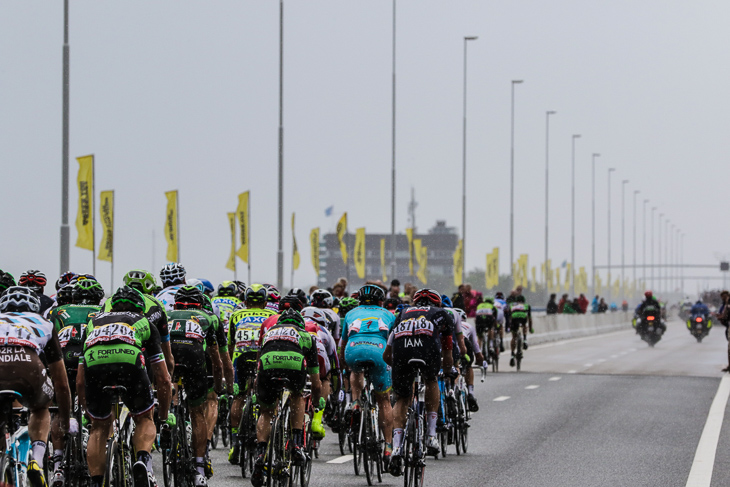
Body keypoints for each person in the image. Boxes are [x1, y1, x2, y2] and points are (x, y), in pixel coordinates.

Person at [0, 286, 72, 487]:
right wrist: (65, 421)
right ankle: (37, 461)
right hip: (28, 367)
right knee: (41, 408)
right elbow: (61, 382)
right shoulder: (44, 323)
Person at [384, 288, 454, 474]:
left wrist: (399, 371)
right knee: (431, 380)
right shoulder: (442, 314)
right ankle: (431, 435)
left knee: (402, 398)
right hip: (427, 350)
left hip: (402, 351)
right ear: (437, 303)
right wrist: (448, 370)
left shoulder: (403, 313)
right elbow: (448, 351)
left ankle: (397, 448)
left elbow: (387, 354)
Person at [251, 310, 323, 487]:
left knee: (266, 412)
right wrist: (316, 400)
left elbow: (258, 366)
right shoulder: (306, 335)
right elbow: (316, 381)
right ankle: (297, 444)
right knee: (298, 395)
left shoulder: (269, 333)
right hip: (293, 363)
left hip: (268, 363)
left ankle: (260, 453)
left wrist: (258, 393)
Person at [167, 286, 226, 487]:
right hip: (194, 357)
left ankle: (169, 416)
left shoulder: (166, 315)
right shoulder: (208, 318)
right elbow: (217, 362)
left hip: (170, 356)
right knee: (197, 413)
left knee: (168, 379)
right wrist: (218, 386)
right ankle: (199, 469)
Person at [47, 279, 104, 487]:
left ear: (73, 298)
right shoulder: (103, 309)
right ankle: (94, 439)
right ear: (99, 298)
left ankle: (58, 463)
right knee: (100, 414)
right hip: (91, 359)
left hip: (64, 360)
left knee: (59, 410)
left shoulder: (59, 311)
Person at [339, 284, 395, 467]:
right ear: (381, 301)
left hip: (353, 350)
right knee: (384, 400)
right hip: (378, 352)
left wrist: (342, 364)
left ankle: (355, 402)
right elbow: (394, 343)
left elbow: (342, 343)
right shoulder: (388, 315)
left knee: (355, 370)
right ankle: (388, 446)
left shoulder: (350, 314)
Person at [227, 284, 277, 464]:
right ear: (264, 302)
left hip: (241, 357)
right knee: (269, 401)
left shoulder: (236, 315)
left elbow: (230, 345)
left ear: (246, 301)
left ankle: (234, 441)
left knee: (239, 396)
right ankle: (268, 439)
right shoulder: (272, 316)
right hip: (263, 357)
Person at [118, 269, 175, 375]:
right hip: (138, 353)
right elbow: (164, 343)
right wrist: (169, 369)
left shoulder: (110, 300)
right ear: (151, 291)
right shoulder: (156, 303)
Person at [453, 308, 484, 411]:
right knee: (468, 365)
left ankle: (452, 388)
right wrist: (479, 358)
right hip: (464, 342)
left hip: (450, 341)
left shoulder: (448, 322)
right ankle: (470, 392)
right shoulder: (468, 325)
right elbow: (475, 345)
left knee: (452, 365)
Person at [506, 294, 533, 367]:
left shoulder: (512, 305)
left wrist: (509, 327)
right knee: (524, 324)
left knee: (514, 337)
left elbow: (509, 318)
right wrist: (530, 328)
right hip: (522, 318)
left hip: (514, 319)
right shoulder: (526, 306)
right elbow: (530, 319)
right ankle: (524, 340)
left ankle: (512, 354)